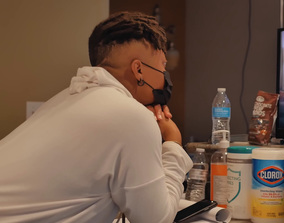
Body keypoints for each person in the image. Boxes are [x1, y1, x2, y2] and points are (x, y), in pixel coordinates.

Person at [0, 11, 193, 223]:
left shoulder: (66, 97)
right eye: (163, 65)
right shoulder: (131, 117)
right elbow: (156, 219)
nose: (165, 77)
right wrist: (173, 142)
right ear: (138, 70)